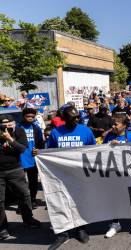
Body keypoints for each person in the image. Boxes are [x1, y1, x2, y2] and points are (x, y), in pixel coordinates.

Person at [45, 106, 96, 250]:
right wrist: (40, 153)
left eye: (77, 116)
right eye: (73, 117)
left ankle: (80, 228)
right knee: (61, 202)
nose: (77, 119)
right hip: (61, 175)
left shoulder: (85, 131)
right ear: (64, 119)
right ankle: (63, 233)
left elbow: (94, 151)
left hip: (80, 175)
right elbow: (49, 153)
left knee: (80, 202)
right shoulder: (56, 132)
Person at [0, 114, 40, 240]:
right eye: (3, 126)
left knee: (24, 195)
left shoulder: (19, 131)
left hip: (15, 169)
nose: (7, 128)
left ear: (14, 124)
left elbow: (22, 149)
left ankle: (28, 219)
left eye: (9, 125)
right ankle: (2, 227)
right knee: (0, 201)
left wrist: (10, 139)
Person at [103, 115, 131, 238]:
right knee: (114, 199)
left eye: (116, 124)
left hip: (130, 174)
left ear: (124, 125)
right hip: (114, 174)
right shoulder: (109, 137)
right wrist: (109, 145)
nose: (113, 127)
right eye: (112, 124)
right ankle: (115, 223)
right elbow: (101, 153)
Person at [17, 108, 45, 208]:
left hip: (32, 159)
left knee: (33, 182)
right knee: (20, 183)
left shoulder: (36, 128)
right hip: (19, 159)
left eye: (32, 117)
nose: (30, 118)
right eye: (28, 116)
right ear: (23, 116)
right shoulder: (17, 127)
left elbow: (41, 143)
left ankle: (33, 199)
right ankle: (22, 204)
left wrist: (39, 150)